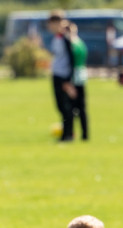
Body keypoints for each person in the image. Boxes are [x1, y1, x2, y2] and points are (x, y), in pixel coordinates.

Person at [46, 11, 76, 142]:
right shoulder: (56, 38)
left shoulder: (65, 38)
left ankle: (68, 135)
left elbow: (72, 58)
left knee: (65, 106)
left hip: (64, 76)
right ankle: (67, 133)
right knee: (60, 106)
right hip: (57, 74)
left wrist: (69, 80)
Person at [67, 22, 89, 141]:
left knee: (72, 107)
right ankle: (85, 134)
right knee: (82, 107)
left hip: (74, 77)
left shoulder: (72, 44)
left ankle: (71, 133)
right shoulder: (80, 42)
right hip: (82, 75)